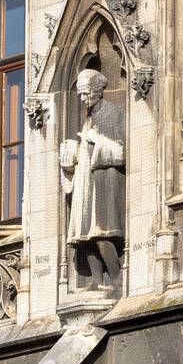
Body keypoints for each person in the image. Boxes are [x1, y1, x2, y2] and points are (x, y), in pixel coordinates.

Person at [59, 69, 125, 289]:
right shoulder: (87, 119)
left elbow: (121, 152)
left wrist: (97, 140)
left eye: (86, 93)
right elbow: (84, 153)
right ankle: (96, 280)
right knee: (82, 235)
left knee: (101, 232)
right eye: (79, 94)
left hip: (103, 182)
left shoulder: (115, 113)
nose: (82, 98)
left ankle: (115, 278)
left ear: (99, 90)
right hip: (85, 183)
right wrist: (70, 161)